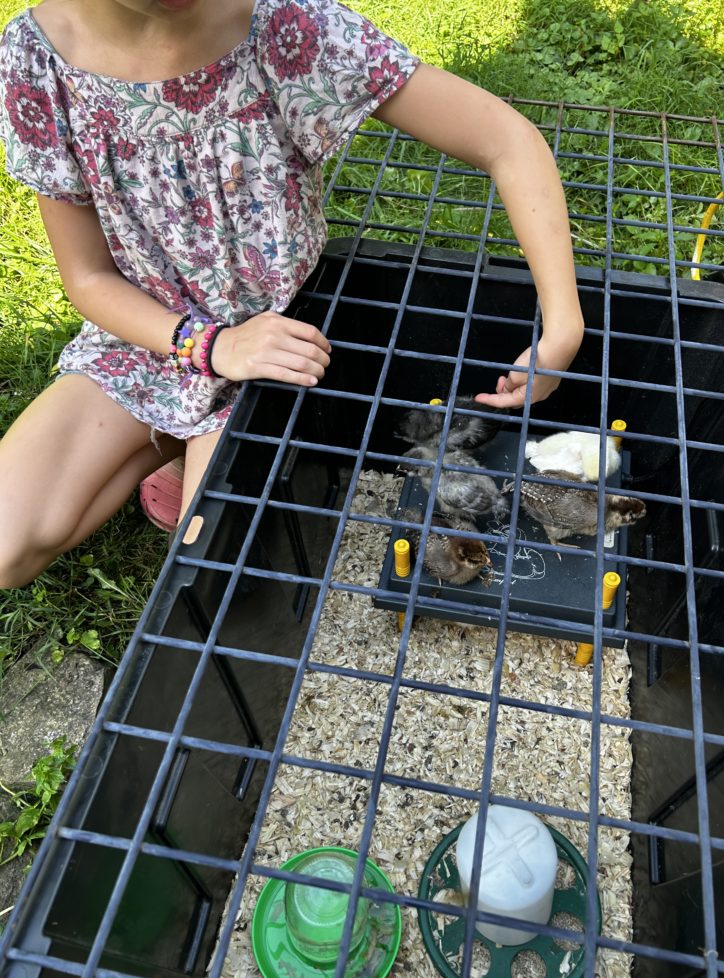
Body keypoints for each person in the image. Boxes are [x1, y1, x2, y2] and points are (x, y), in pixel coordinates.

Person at [0, 0, 584, 590]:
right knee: (6, 548)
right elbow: (88, 277)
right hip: (149, 334)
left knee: (219, 578)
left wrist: (563, 325)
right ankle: (175, 435)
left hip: (283, 339)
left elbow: (507, 140)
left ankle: (184, 441)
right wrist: (210, 346)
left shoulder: (282, 24)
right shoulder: (38, 56)